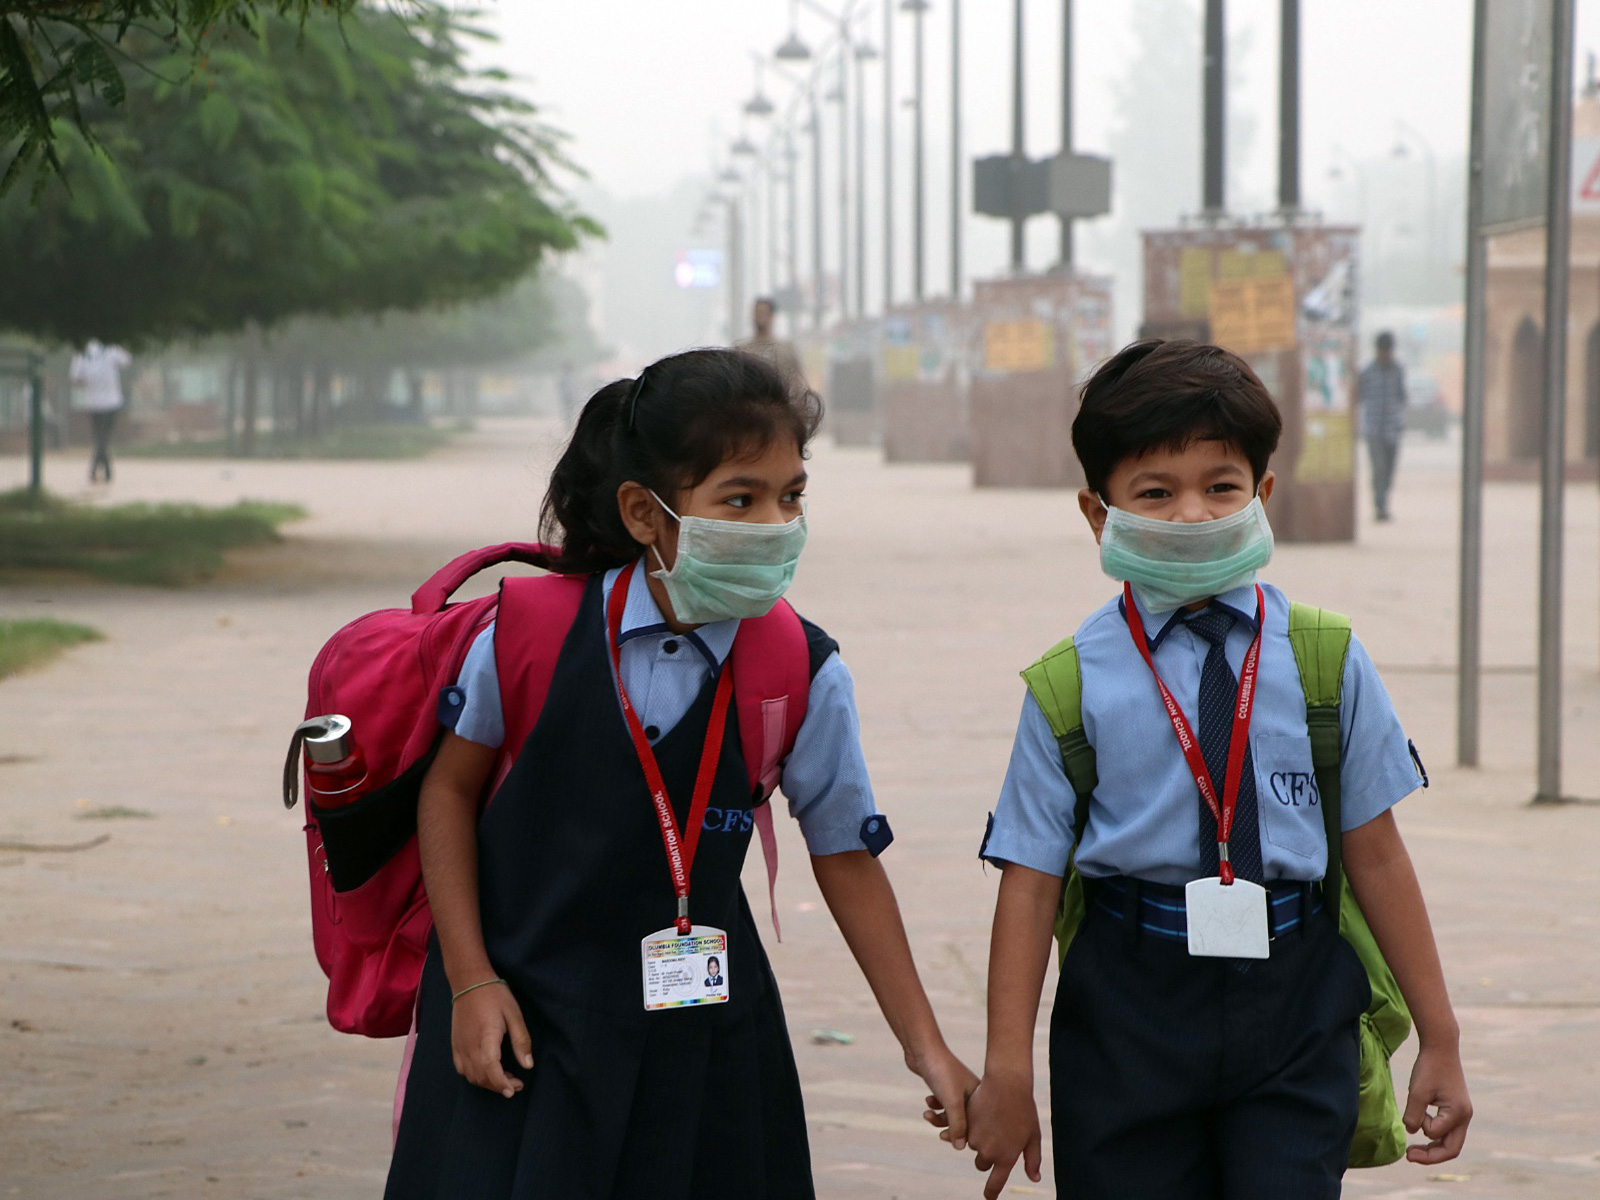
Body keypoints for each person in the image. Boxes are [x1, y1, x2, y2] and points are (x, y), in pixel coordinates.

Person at [385, 348, 974, 1199]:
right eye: (741, 498)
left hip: (703, 1038)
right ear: (644, 513)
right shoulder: (526, 633)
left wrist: (927, 1048)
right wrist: (470, 981)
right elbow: (448, 792)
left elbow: (845, 856)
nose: (775, 523)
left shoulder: (801, 668)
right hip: (518, 1019)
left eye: (792, 495)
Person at [964, 340, 1470, 1199]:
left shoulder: (1325, 658)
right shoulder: (1069, 681)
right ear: (1099, 513)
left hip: (1295, 998)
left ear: (1263, 495)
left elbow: (1378, 855)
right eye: (1155, 493)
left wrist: (1442, 1035)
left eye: (1220, 486)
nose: (1192, 514)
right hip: (1127, 1006)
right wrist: (1006, 1067)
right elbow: (1030, 879)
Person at [1359, 330, 1407, 521]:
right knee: (1378, 469)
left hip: (1393, 430)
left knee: (1389, 470)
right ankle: (1380, 506)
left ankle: (1383, 499)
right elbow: (1360, 397)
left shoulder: (1398, 370)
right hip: (1374, 430)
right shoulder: (1368, 372)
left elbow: (1402, 396)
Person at [68, 339, 131, 483]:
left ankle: (101, 470)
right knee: (103, 437)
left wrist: (91, 383)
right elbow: (127, 360)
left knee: (100, 437)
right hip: (110, 401)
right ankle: (101, 469)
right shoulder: (112, 348)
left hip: (94, 402)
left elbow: (76, 378)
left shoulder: (82, 351)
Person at [736, 297, 807, 396]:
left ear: (772, 316)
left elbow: (798, 379)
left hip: (781, 403)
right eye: (756, 312)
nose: (759, 316)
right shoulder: (742, 350)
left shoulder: (786, 348)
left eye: (763, 312)